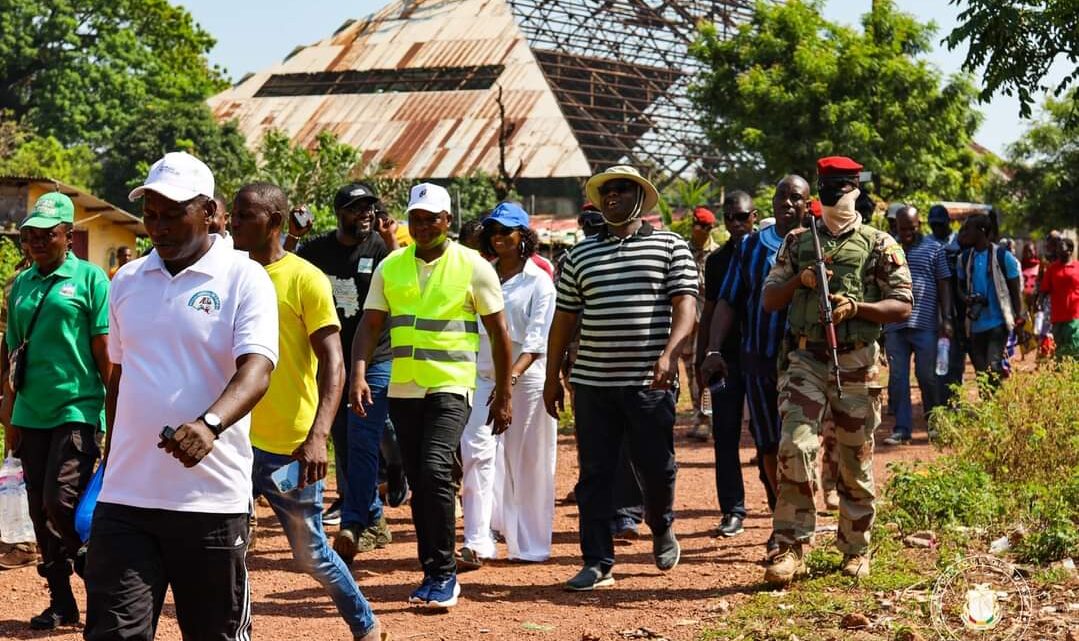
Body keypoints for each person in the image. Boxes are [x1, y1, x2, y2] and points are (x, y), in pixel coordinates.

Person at [84, 152, 279, 641]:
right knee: (113, 635)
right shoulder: (126, 281)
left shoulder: (244, 277)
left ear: (210, 212)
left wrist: (209, 424)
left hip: (210, 503)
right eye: (151, 215)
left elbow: (256, 369)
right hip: (127, 498)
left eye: (173, 214)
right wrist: (111, 456)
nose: (159, 227)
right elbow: (120, 376)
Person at [230, 182, 384, 640]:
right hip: (233, 442)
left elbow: (334, 364)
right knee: (224, 548)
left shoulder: (305, 278)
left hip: (289, 447)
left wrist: (318, 436)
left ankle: (365, 625)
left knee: (310, 554)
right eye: (234, 214)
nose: (234, 223)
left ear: (275, 223)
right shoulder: (228, 274)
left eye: (245, 215)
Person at [351, 182, 512, 609]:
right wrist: (359, 374)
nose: (423, 227)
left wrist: (504, 392)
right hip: (404, 387)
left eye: (431, 219)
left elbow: (499, 333)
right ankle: (431, 570)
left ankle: (444, 575)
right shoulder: (391, 266)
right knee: (423, 480)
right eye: (416, 219)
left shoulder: (473, 265)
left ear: (448, 221)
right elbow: (369, 326)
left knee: (435, 467)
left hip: (451, 385)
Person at [544, 165, 697, 591]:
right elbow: (565, 319)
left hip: (650, 381)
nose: (611, 197)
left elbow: (686, 305)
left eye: (620, 190)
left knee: (656, 465)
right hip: (593, 382)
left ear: (640, 197)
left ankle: (661, 523)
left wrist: (670, 354)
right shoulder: (578, 255)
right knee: (595, 473)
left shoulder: (670, 246)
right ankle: (597, 561)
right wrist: (552, 375)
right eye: (605, 192)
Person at [760, 156, 912, 584]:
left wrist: (857, 307)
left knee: (853, 457)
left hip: (858, 360)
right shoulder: (796, 241)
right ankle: (790, 548)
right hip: (805, 358)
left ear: (855, 191)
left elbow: (903, 304)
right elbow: (771, 299)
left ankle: (856, 548)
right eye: (827, 191)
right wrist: (801, 282)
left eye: (841, 191)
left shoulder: (879, 243)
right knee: (794, 445)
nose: (834, 200)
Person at [0, 192, 109, 629]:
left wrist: (116, 415)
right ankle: (63, 602)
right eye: (30, 236)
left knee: (58, 501)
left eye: (48, 234)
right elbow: (11, 356)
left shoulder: (90, 279)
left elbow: (106, 355)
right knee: (37, 514)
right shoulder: (22, 284)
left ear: (68, 234)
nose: (38, 242)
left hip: (77, 408)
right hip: (30, 412)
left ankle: (98, 573)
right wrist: (9, 416)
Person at [702, 175, 809, 554]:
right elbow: (728, 301)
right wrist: (713, 349)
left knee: (799, 444)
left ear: (807, 204)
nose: (788, 202)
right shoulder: (750, 247)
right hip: (759, 362)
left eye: (796, 197)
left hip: (806, 365)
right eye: (782, 195)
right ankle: (785, 522)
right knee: (766, 444)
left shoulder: (818, 244)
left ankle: (798, 521)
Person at [292, 183, 398, 531]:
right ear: (339, 213)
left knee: (367, 433)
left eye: (370, 206)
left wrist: (393, 242)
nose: (366, 213)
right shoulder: (319, 250)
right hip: (334, 362)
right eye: (356, 208)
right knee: (344, 438)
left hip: (375, 356)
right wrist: (293, 235)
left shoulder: (381, 247)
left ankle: (364, 516)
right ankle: (371, 516)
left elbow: (401, 280)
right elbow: (282, 265)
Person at [457, 202, 556, 568]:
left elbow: (535, 342)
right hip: (481, 377)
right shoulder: (480, 274)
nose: (499, 237)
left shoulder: (539, 282)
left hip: (525, 380)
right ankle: (478, 540)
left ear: (523, 236)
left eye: (507, 231)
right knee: (476, 452)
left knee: (525, 461)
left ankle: (529, 544)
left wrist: (508, 383)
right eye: (493, 231)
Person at [693, 191, 756, 536]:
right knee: (726, 435)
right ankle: (733, 509)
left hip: (762, 357)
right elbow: (710, 311)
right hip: (727, 359)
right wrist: (704, 356)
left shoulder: (768, 253)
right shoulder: (717, 261)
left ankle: (781, 507)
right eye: (729, 217)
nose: (735, 223)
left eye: (741, 217)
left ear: (754, 217)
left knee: (769, 437)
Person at [881, 206, 952, 445]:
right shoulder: (888, 249)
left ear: (919, 224)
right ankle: (902, 429)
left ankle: (933, 423)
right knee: (899, 378)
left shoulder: (935, 249)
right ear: (896, 227)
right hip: (895, 326)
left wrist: (947, 318)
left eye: (912, 228)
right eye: (903, 229)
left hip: (925, 323)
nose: (908, 233)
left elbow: (944, 283)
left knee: (926, 376)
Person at [956, 214, 1023, 384]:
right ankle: (989, 406)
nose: (964, 233)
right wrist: (968, 299)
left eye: (968, 229)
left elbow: (1015, 292)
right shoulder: (963, 259)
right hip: (975, 326)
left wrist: (1019, 321)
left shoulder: (1003, 257)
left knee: (993, 367)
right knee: (981, 374)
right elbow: (960, 287)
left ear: (982, 231)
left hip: (998, 323)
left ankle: (997, 405)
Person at [685, 206, 719, 440]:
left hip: (708, 321)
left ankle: (709, 417)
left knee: (705, 371)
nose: (703, 231)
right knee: (689, 371)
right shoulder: (682, 251)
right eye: (700, 226)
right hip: (686, 321)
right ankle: (700, 415)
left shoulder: (716, 254)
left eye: (707, 228)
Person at [1039, 237, 1079, 359]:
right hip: (1057, 315)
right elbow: (1044, 289)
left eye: (1062, 249)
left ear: (1070, 251)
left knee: (1074, 345)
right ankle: (1061, 373)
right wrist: (1039, 302)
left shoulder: (1077, 267)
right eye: (1057, 249)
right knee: (1059, 347)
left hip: (1074, 314)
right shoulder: (1052, 269)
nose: (1058, 252)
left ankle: (1074, 373)